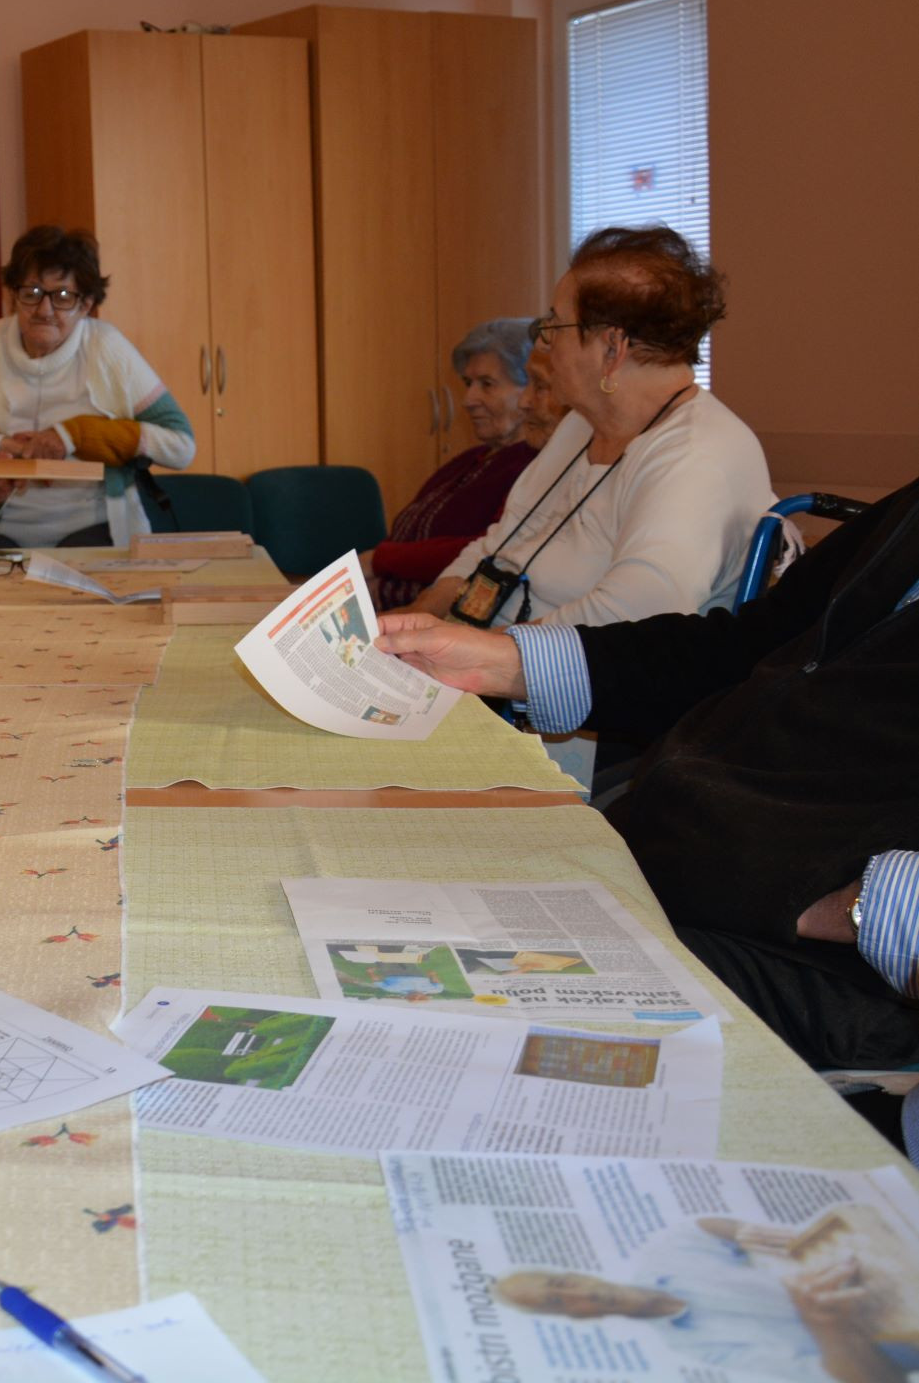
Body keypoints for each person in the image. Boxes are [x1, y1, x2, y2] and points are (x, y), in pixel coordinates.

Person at [375, 472, 919, 1071]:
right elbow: (749, 647)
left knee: (430, 1017)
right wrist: (508, 662)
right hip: (677, 852)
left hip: (820, 963)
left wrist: (865, 910)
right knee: (392, 893)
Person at [410, 227, 772, 630]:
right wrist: (423, 612)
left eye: (554, 326)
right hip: (487, 657)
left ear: (612, 349)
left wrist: (463, 650)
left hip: (576, 681)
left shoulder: (699, 454)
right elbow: (501, 542)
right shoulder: (582, 424)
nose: (543, 345)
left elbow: (630, 618)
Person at [0, 224, 194, 550]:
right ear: (13, 295)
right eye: (32, 293)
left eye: (63, 296)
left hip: (90, 525)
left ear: (86, 304)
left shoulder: (107, 349)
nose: (44, 310)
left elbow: (181, 445)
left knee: (81, 575)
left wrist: (76, 435)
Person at [493, 1219, 913, 1382]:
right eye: (559, 1302)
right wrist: (826, 1327)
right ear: (578, 1319)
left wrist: (739, 1230)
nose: (579, 1293)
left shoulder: (665, 1253)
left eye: (563, 1281)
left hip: (886, 1260)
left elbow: (702, 1227)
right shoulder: (696, 1350)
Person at [366, 318, 546, 610]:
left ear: (530, 392)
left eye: (487, 384)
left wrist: (379, 560)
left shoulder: (533, 465)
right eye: (467, 383)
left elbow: (492, 550)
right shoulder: (468, 461)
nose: (468, 399)